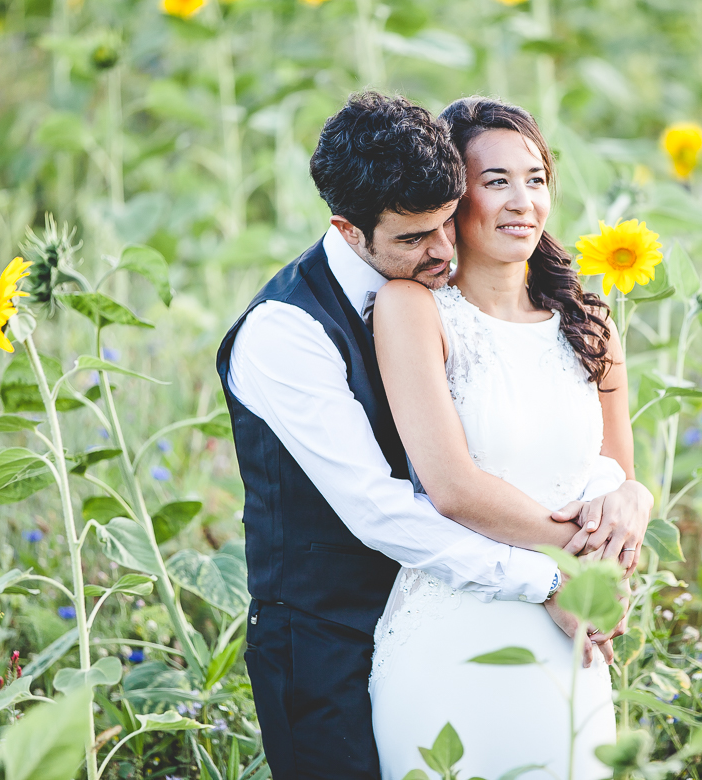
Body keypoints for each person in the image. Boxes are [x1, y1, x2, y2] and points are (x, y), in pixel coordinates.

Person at [215, 92, 652, 780]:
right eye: (416, 238)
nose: (442, 251)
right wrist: (558, 573)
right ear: (350, 230)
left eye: (448, 223)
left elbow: (605, 461)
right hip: (324, 634)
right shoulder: (286, 332)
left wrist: (632, 499)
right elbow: (380, 508)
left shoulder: (550, 312)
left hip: (485, 603)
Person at [369, 97, 647, 780]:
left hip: (571, 645)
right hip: (453, 640)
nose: (522, 200)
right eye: (496, 182)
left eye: (536, 178)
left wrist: (635, 504)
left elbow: (616, 471)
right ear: (451, 199)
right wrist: (579, 564)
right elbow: (454, 487)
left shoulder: (590, 325)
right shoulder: (414, 311)